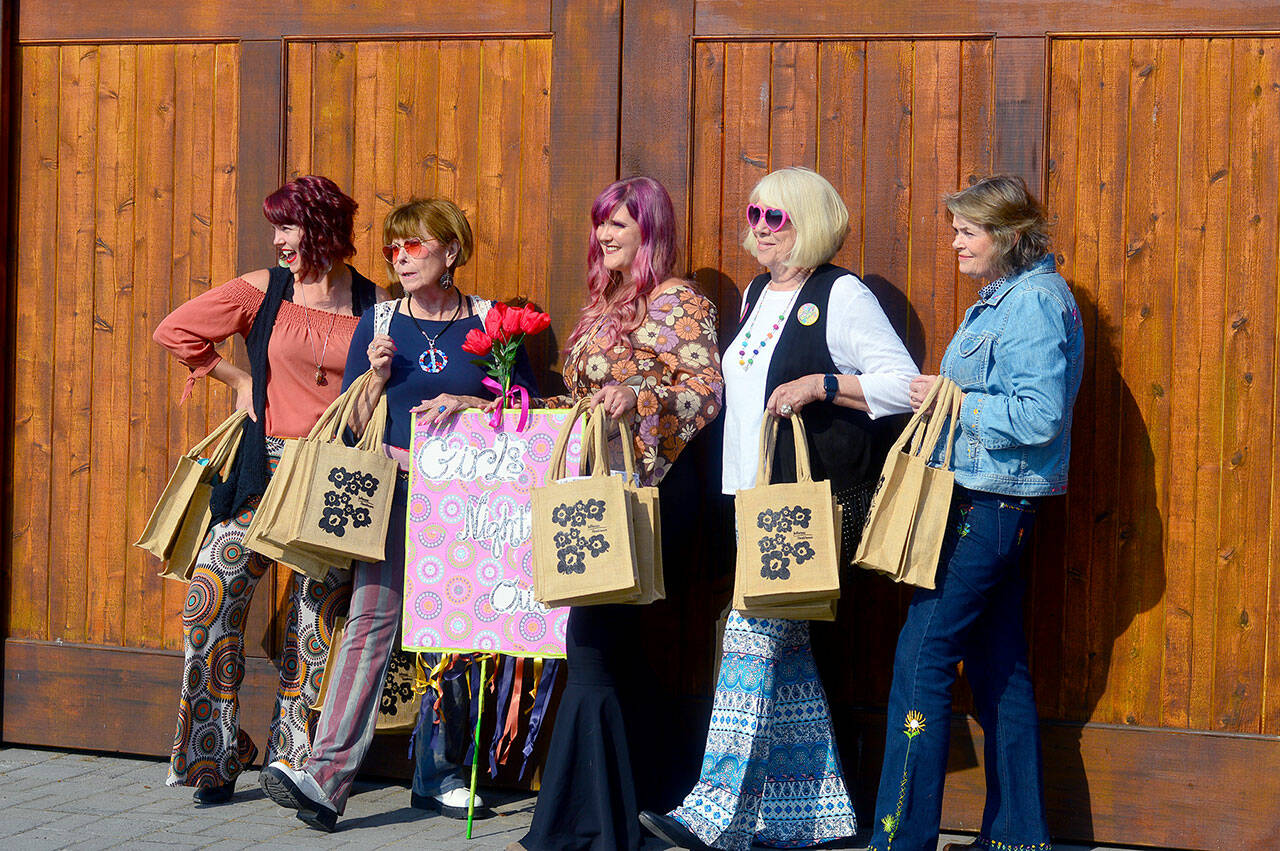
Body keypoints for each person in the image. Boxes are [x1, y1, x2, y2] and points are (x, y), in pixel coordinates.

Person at [638, 166, 918, 851]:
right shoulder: (760, 293)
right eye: (755, 213)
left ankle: (709, 814)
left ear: (810, 222)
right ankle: (812, 817)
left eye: (776, 218)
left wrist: (822, 383)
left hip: (808, 509)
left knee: (748, 640)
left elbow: (905, 385)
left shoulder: (841, 294)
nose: (759, 229)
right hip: (748, 502)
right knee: (783, 657)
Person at [258, 197, 537, 831]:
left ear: (450, 250)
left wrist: (470, 399)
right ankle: (326, 780)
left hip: (467, 500)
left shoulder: (492, 321)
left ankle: (439, 774)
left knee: (457, 630)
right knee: (371, 622)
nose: (400, 259)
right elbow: (353, 422)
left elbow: (524, 407)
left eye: (413, 246)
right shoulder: (379, 322)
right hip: (395, 495)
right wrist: (376, 381)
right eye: (393, 250)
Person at [867, 175, 1084, 851]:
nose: (955, 242)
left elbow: (1041, 416)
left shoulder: (1032, 304)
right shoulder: (1003, 301)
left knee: (921, 659)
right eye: (955, 228)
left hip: (985, 504)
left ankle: (900, 840)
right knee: (999, 667)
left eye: (968, 230)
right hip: (992, 503)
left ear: (1009, 237)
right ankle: (1018, 837)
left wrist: (954, 401)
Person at [512, 176, 724, 851]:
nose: (604, 235)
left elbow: (705, 390)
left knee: (592, 644)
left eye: (620, 225)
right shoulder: (605, 305)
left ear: (650, 231)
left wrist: (643, 398)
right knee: (619, 649)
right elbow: (581, 407)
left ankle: (585, 825)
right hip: (599, 493)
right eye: (601, 223)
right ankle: (643, 795)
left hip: (652, 495)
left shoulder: (679, 300)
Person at [154, 175, 380, 805]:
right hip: (260, 471)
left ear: (325, 229)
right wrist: (235, 378)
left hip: (330, 481)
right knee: (211, 600)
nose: (281, 241)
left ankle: (292, 762)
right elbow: (177, 331)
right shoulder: (262, 288)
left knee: (318, 622)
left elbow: (385, 386)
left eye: (291, 226)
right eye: (276, 228)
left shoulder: (372, 303)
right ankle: (215, 754)